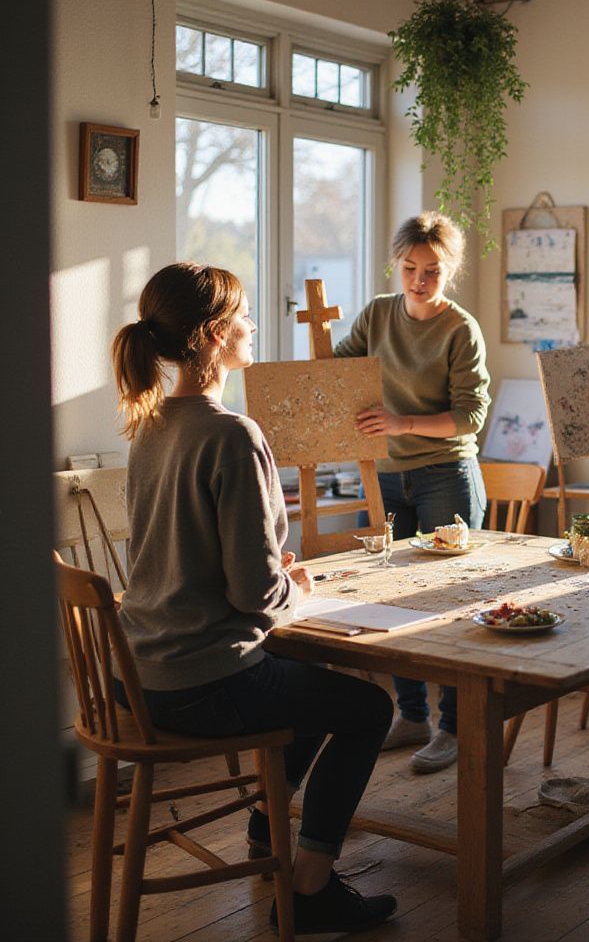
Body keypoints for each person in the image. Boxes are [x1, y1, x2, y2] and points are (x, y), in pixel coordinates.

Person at [112, 263, 397, 935]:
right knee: (366, 709)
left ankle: (269, 821)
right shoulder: (233, 434)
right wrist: (289, 587)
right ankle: (312, 887)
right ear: (213, 336)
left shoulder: (150, 426)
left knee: (311, 689)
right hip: (202, 683)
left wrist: (268, 578)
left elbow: (181, 559)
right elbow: (255, 595)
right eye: (242, 316)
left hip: (135, 677)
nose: (252, 326)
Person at [334, 212, 491, 773]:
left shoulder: (459, 329)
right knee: (391, 598)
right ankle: (412, 715)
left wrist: (402, 424)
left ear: (449, 270)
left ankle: (452, 728)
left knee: (448, 605)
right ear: (396, 264)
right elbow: (341, 368)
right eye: (409, 268)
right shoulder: (378, 312)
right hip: (385, 475)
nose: (419, 281)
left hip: (445, 473)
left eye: (432, 271)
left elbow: (471, 416)